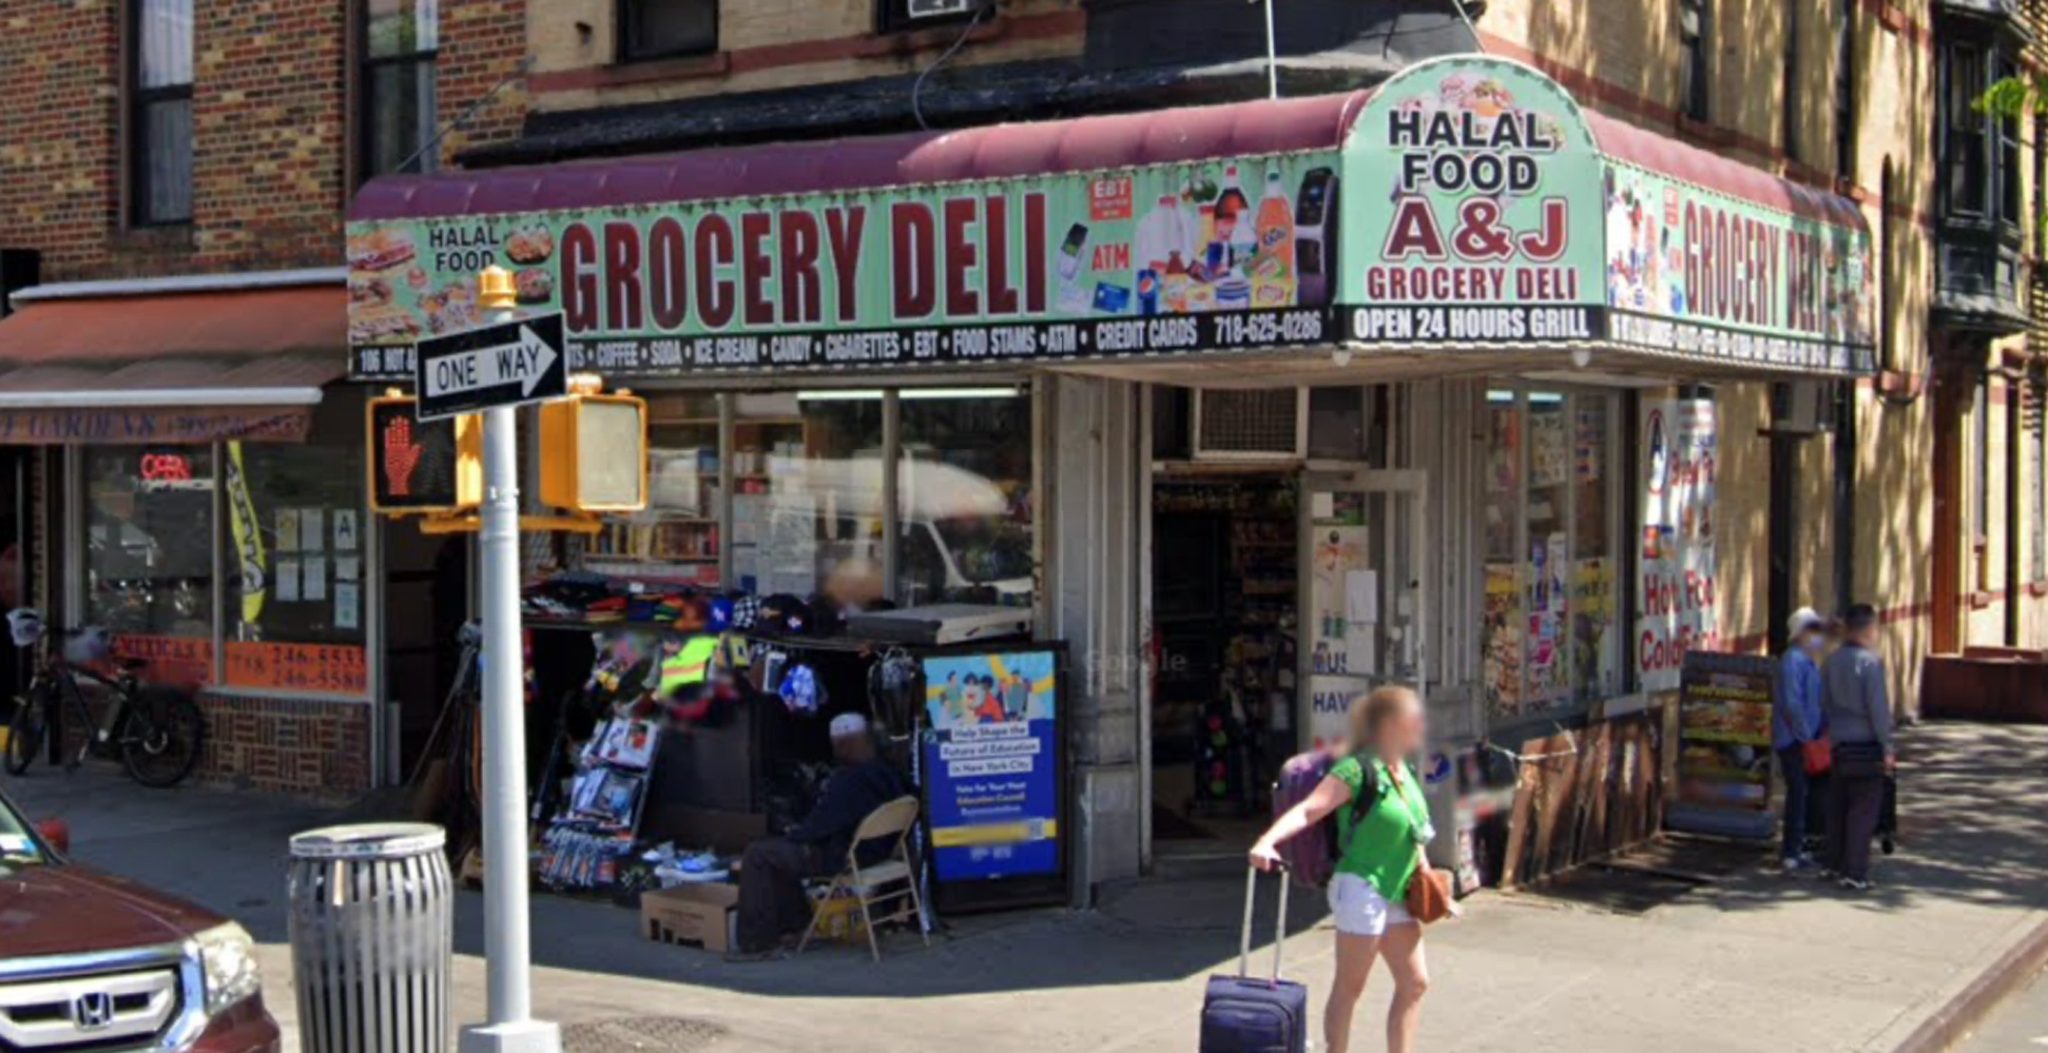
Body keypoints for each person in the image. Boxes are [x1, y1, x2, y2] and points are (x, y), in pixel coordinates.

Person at [1249, 686, 1438, 1053]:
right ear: (1389, 724)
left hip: (1398, 890)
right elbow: (1309, 809)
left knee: (1414, 982)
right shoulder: (1357, 769)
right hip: (1361, 888)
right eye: (1413, 718)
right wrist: (1267, 841)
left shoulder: (1405, 771)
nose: (1421, 726)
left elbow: (1416, 832)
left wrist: (1429, 880)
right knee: (1351, 987)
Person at [731, 713, 911, 959]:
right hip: (879, 851)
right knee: (779, 854)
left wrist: (792, 832)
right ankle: (797, 926)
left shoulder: (847, 781)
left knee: (759, 855)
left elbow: (820, 827)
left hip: (847, 856)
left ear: (844, 744)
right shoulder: (889, 771)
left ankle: (756, 944)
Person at [1822, 603, 1893, 892]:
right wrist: (1888, 745)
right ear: (1869, 629)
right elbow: (1879, 709)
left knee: (1839, 807)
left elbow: (1823, 702)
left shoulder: (1831, 661)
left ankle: (1835, 864)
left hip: (1839, 744)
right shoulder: (1870, 664)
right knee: (1863, 811)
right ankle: (1856, 871)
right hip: (1866, 745)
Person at [1774, 607, 1828, 873]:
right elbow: (1792, 703)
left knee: (1805, 793)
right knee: (1798, 793)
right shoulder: (1793, 661)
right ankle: (1791, 851)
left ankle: (1799, 844)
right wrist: (1806, 736)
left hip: (1806, 737)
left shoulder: (1806, 660)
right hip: (1794, 740)